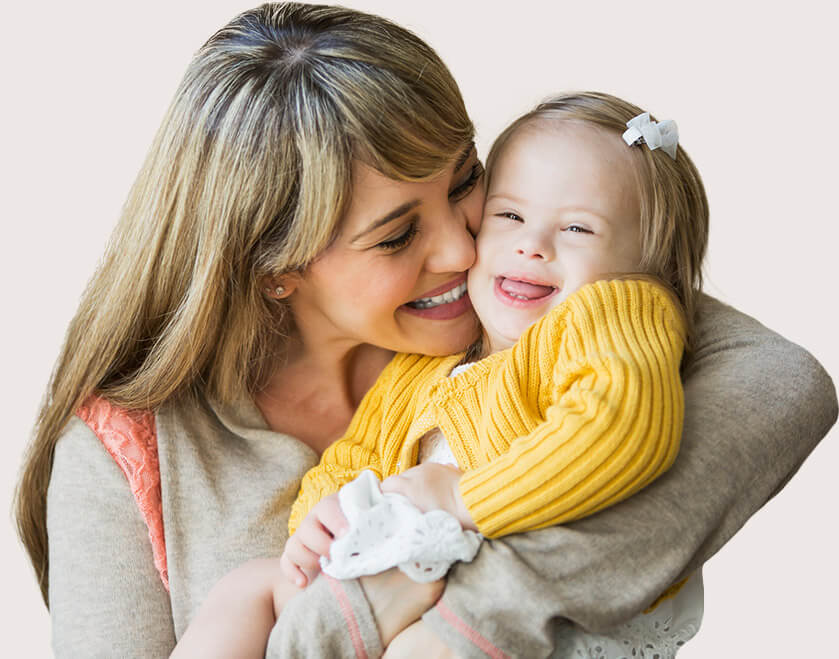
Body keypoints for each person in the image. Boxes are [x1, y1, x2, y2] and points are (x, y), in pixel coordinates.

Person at [13, 4, 836, 658]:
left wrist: (458, 618)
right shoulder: (125, 452)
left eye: (468, 182)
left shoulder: (529, 302)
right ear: (274, 267)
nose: (463, 243)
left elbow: (784, 382)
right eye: (398, 235)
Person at [173, 90, 704, 658]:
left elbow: (620, 431)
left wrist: (462, 501)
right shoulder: (430, 362)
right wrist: (324, 517)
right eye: (509, 215)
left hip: (539, 604)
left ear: (648, 266)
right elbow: (359, 454)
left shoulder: (610, 316)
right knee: (248, 586)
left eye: (578, 229)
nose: (531, 245)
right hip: (421, 563)